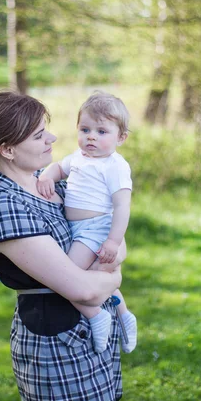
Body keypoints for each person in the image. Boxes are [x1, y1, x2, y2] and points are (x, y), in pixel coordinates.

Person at [0, 90, 125, 401]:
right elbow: (83, 287)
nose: (52, 138)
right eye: (39, 135)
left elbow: (110, 232)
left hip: (92, 343)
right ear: (7, 149)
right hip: (56, 349)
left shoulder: (47, 182)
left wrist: (110, 262)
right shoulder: (3, 202)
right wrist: (115, 275)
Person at [36, 91, 137, 355]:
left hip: (96, 229)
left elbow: (122, 206)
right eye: (85, 129)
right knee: (94, 276)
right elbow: (59, 168)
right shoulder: (78, 157)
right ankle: (123, 312)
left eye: (102, 131)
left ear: (121, 137)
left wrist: (113, 241)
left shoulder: (115, 166)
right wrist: (47, 176)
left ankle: (95, 314)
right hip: (78, 229)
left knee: (66, 277)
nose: (91, 136)